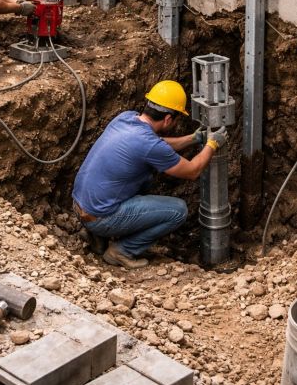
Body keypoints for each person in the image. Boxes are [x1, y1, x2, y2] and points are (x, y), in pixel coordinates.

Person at [72, 80, 228, 269]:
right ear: (168, 119)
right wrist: (212, 144)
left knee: (143, 179)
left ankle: (96, 237)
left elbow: (157, 144)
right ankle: (122, 251)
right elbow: (192, 170)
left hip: (81, 206)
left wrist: (193, 139)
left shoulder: (125, 118)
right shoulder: (149, 145)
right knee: (178, 211)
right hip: (101, 217)